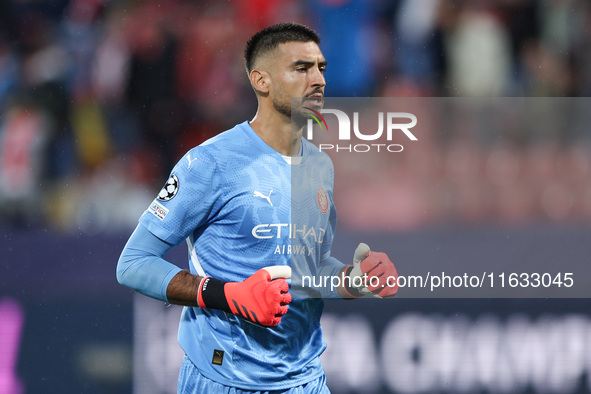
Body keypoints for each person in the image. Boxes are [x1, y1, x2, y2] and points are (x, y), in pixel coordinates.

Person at [117, 22, 398, 393]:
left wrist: (351, 279)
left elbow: (306, 269)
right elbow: (133, 264)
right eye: (301, 68)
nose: (318, 80)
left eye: (321, 68)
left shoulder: (319, 167)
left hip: (305, 380)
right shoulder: (210, 163)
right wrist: (230, 295)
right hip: (223, 379)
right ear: (261, 81)